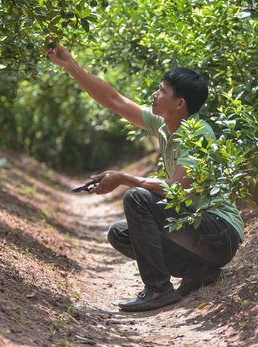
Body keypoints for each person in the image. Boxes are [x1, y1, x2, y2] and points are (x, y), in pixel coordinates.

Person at [47, 44, 244, 312]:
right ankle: (200, 271)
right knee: (121, 234)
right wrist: (72, 67)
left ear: (179, 103)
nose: (155, 93)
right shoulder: (164, 124)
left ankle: (158, 290)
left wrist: (126, 178)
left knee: (137, 197)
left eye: (162, 90)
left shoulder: (197, 134)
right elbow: (114, 100)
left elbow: (177, 192)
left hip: (219, 233)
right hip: (195, 231)